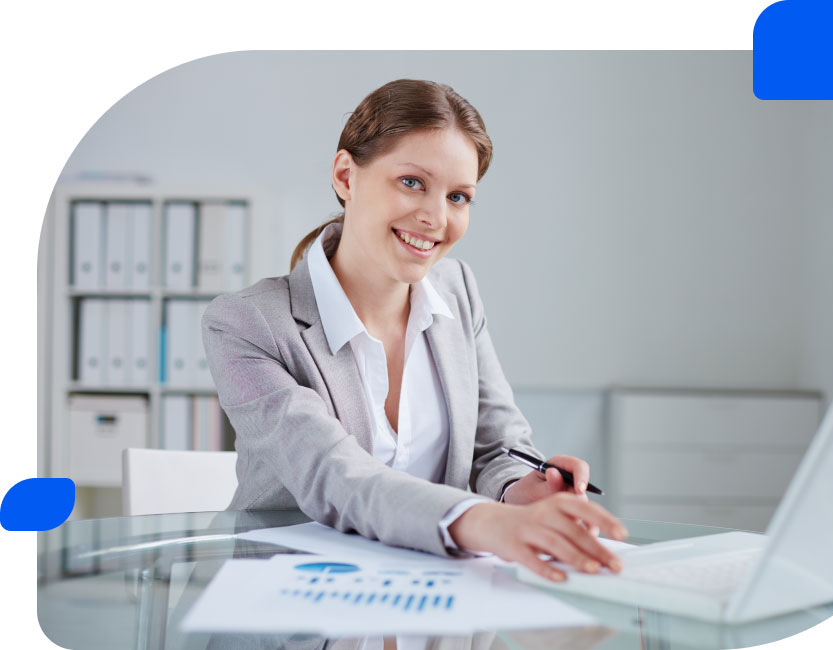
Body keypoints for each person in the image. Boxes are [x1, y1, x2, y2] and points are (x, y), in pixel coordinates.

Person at [201, 79, 625, 583]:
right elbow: (335, 475)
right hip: (289, 601)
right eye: (412, 182)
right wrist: (484, 521)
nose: (435, 217)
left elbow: (497, 447)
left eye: (459, 196)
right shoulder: (246, 324)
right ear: (345, 176)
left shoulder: (458, 292)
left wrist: (519, 490)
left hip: (428, 595)